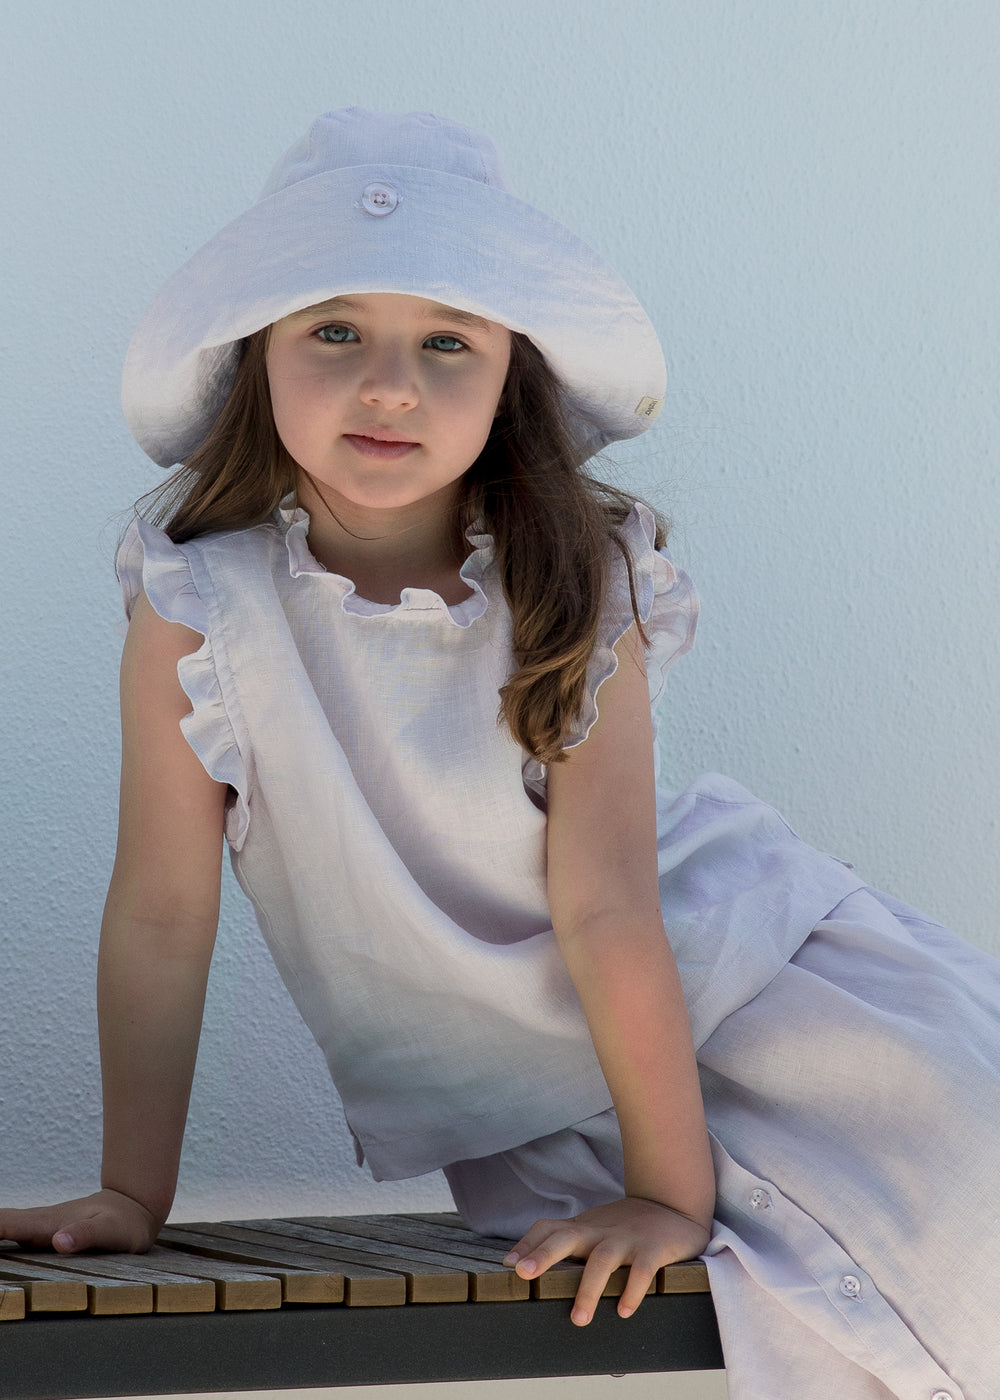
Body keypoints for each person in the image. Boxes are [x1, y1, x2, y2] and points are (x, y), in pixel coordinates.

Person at [2, 109, 997, 1399]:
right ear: (257, 358)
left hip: (747, 996)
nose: (390, 384)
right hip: (546, 1107)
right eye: (334, 330)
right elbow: (160, 912)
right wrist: (133, 1191)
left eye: (447, 341)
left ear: (508, 374)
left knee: (972, 1211)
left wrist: (671, 1194)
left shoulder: (577, 574)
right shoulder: (199, 602)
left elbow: (608, 903)